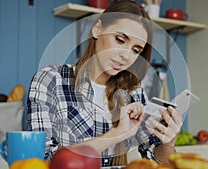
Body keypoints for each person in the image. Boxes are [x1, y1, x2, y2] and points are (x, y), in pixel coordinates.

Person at [27, 0, 183, 167]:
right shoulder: (51, 80)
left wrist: (168, 141)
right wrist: (116, 134)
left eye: (136, 50)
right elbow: (43, 161)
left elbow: (154, 160)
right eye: (120, 40)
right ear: (97, 29)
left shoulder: (133, 89)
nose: (126, 55)